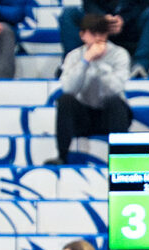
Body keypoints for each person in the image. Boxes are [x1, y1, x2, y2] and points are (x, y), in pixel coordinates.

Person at [47, 13, 132, 165]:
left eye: (102, 33)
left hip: (109, 115)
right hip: (83, 116)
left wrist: (99, 66)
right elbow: (69, 89)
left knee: (116, 103)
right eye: (93, 33)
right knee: (65, 100)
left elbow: (116, 88)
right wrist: (86, 61)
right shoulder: (73, 56)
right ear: (82, 35)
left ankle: (122, 159)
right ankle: (62, 156)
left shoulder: (119, 54)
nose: (98, 38)